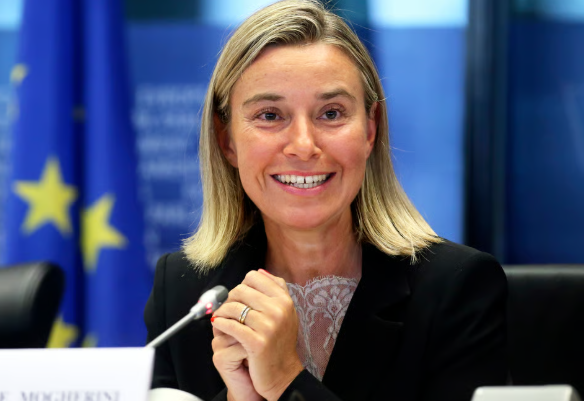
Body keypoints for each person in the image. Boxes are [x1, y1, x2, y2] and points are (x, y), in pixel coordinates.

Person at [144, 1, 507, 400]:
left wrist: (285, 379)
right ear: (226, 140)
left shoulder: (457, 289)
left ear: (370, 131)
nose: (303, 145)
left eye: (331, 113)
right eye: (270, 115)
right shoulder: (182, 293)